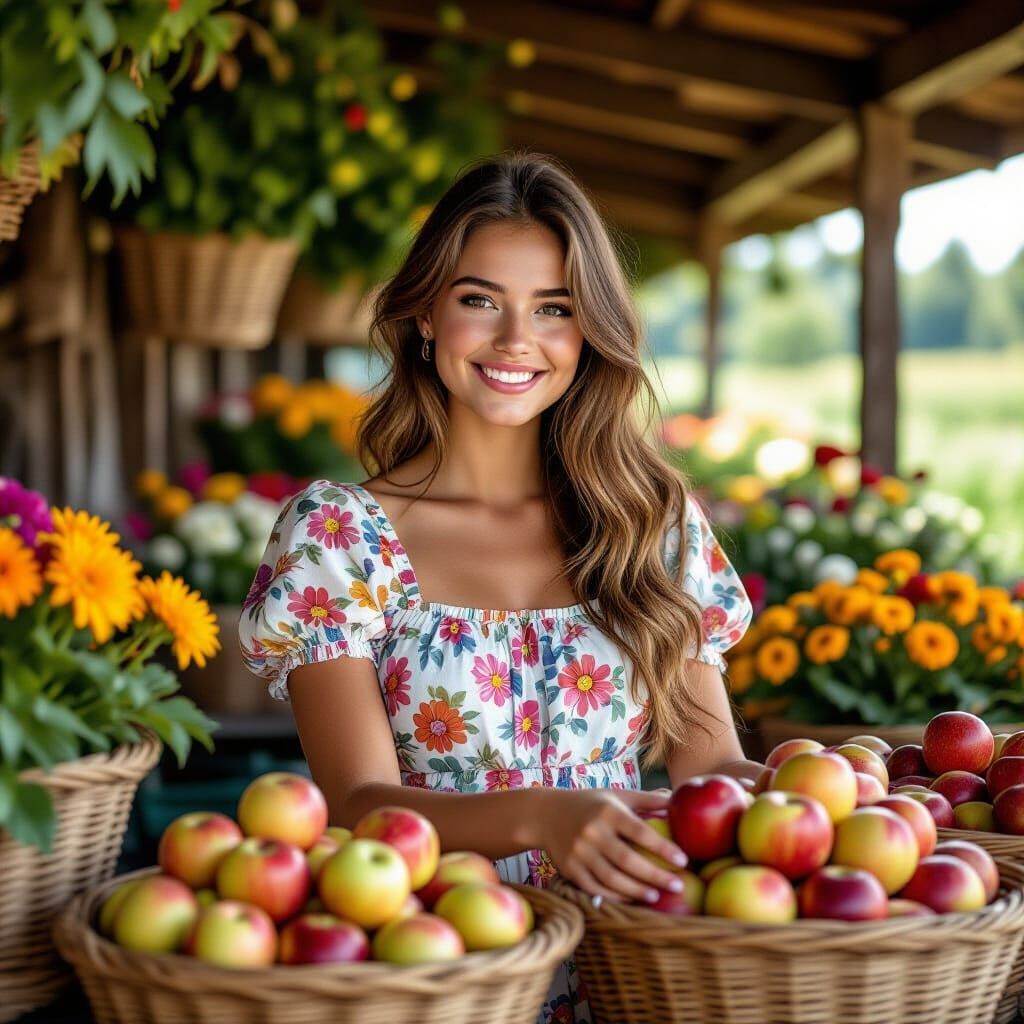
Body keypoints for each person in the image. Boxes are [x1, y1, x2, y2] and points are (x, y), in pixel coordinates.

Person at [239, 151, 759, 1023]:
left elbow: (711, 767)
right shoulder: (340, 535)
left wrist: (843, 790)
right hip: (440, 971)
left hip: (643, 972)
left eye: (554, 310)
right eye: (481, 299)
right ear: (425, 316)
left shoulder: (652, 522)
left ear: (588, 334)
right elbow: (358, 804)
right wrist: (544, 817)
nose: (517, 340)